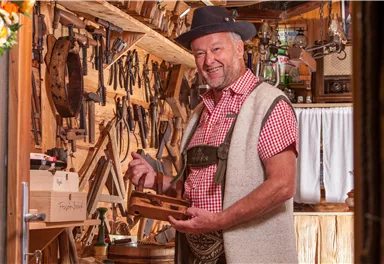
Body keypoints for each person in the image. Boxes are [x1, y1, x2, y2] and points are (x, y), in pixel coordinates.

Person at [126, 6, 299, 264]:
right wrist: (158, 182)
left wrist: (219, 221)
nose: (208, 61)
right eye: (200, 53)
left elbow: (283, 185)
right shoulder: (200, 113)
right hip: (195, 255)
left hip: (248, 256)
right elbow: (195, 188)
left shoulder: (268, 104)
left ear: (239, 49)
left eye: (217, 49)